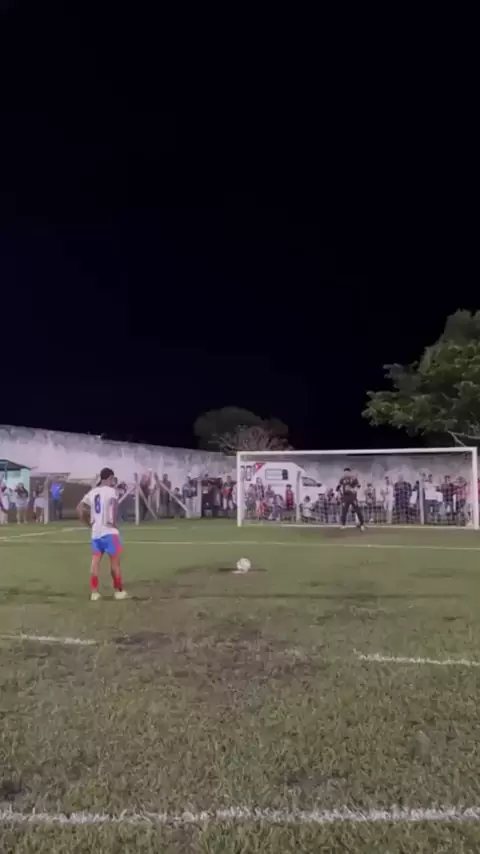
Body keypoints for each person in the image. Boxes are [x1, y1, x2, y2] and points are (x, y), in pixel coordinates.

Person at [77, 467, 127, 601]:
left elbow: (79, 508)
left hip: (96, 533)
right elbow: (113, 507)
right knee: (115, 563)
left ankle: (94, 593)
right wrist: (114, 522)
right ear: (109, 478)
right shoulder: (112, 491)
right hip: (109, 531)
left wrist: (88, 523)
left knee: (95, 563)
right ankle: (119, 591)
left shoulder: (93, 492)